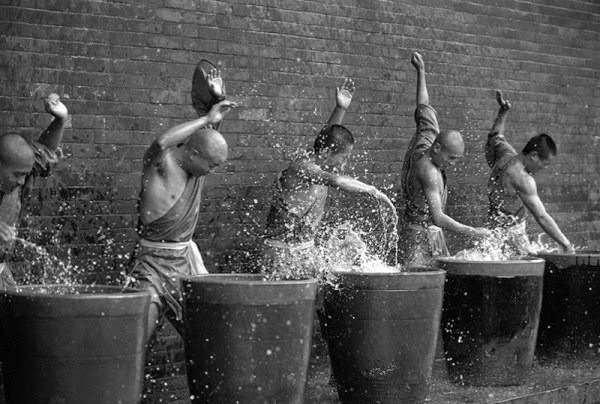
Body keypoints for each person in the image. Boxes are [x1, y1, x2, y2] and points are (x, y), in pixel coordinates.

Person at [127, 65, 237, 338]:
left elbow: (212, 130)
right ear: (195, 153)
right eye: (211, 165)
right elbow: (161, 142)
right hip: (151, 265)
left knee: (206, 336)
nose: (211, 172)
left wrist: (216, 100)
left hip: (184, 262)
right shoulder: (161, 165)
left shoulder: (197, 164)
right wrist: (203, 121)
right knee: (141, 336)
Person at [261, 78, 396, 280]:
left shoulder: (320, 155)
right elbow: (334, 180)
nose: (344, 165)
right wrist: (372, 191)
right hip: (281, 252)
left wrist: (340, 109)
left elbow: (326, 138)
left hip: (304, 249)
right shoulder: (303, 167)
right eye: (344, 158)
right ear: (327, 153)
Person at [398, 52, 490, 267]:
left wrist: (421, 72)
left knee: (442, 272)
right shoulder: (428, 171)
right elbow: (438, 217)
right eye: (451, 158)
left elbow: (423, 106)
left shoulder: (429, 136)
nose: (453, 164)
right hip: (417, 234)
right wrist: (473, 231)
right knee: (419, 281)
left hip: (432, 230)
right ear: (437, 148)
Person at [484, 89, 574, 254]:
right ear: (533, 156)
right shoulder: (522, 179)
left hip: (493, 235)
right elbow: (541, 217)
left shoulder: (506, 155)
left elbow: (495, 137)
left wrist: (503, 113)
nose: (544, 168)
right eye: (544, 163)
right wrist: (566, 244)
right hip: (511, 240)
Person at [0, 93, 69, 288]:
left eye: (26, 175)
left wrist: (60, 118)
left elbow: (46, 150)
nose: (22, 181)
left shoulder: (23, 163)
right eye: (17, 175)